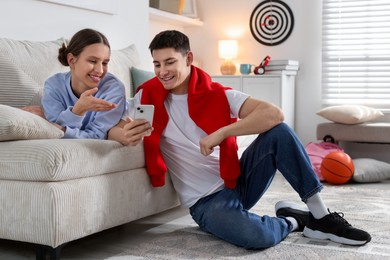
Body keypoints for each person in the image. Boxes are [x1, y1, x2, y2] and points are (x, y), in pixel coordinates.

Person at [108, 30, 371, 249]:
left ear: (188, 58)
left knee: (279, 131)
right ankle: (295, 221)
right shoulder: (146, 98)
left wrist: (222, 132)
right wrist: (122, 134)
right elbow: (111, 125)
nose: (162, 71)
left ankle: (321, 216)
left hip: (238, 180)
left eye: (170, 62)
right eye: (156, 64)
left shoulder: (217, 94)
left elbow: (274, 113)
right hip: (206, 203)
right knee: (257, 237)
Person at [24, 28, 126, 139]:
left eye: (105, 63)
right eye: (92, 61)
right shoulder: (54, 86)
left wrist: (69, 122)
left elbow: (98, 136)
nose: (100, 70)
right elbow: (54, 132)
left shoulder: (113, 89)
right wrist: (78, 110)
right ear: (72, 60)